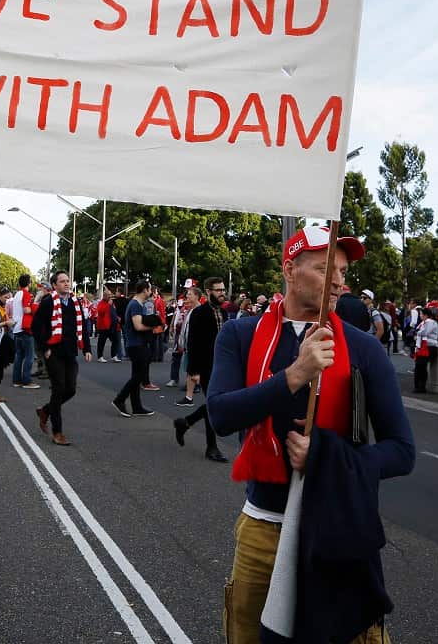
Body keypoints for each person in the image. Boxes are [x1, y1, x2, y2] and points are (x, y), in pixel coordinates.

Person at [208, 227, 414, 644]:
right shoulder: (240, 334)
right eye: (324, 269)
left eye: (342, 270)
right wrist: (295, 375)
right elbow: (221, 415)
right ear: (290, 269)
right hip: (264, 528)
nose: (339, 280)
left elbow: (402, 451)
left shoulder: (363, 347)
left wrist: (324, 455)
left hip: (338, 528)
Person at [32, 271, 92, 446]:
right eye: (62, 281)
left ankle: (45, 410)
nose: (67, 283)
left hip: (70, 351)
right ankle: (57, 432)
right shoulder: (48, 302)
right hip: (54, 352)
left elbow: (82, 327)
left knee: (71, 389)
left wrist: (86, 348)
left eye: (68, 281)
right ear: (55, 285)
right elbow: (37, 327)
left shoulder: (75, 302)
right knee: (58, 390)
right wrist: (45, 348)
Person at [174, 280, 228, 462]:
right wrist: (193, 370)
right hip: (205, 366)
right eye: (218, 290)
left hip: (222, 366)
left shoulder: (224, 312)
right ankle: (211, 447)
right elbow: (193, 342)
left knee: (216, 404)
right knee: (214, 403)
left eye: (223, 289)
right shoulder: (199, 313)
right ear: (208, 291)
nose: (222, 293)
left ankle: (185, 422)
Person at [112, 280, 158, 419]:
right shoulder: (136, 304)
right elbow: (138, 326)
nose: (151, 292)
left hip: (136, 344)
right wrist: (154, 326)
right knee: (139, 376)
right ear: (144, 290)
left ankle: (136, 406)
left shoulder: (137, 303)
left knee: (136, 376)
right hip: (136, 344)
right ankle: (119, 399)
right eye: (150, 289)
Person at [8, 275, 39, 388]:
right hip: (25, 327)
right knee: (29, 356)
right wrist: (35, 307)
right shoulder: (26, 294)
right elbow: (26, 309)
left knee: (19, 355)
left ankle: (16, 380)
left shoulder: (16, 294)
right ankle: (27, 380)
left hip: (16, 327)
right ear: (29, 283)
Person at [411, 307, 438, 393]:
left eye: (421, 314)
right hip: (423, 346)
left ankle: (421, 386)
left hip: (429, 346)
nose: (420, 316)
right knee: (419, 366)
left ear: (426, 315)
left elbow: (425, 332)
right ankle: (418, 386)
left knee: (421, 366)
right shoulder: (424, 322)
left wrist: (417, 333)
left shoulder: (430, 322)